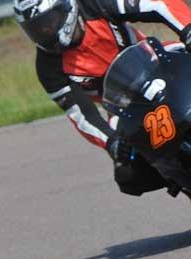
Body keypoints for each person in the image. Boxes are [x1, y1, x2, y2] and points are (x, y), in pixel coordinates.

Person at [13, 0, 191, 196]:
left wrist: (187, 28)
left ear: (67, 8)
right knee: (128, 173)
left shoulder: (95, 5)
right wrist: (111, 141)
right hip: (124, 107)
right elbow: (81, 116)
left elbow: (159, 4)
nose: (45, 32)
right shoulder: (48, 68)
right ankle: (181, 180)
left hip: (161, 62)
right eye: (36, 29)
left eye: (49, 22)